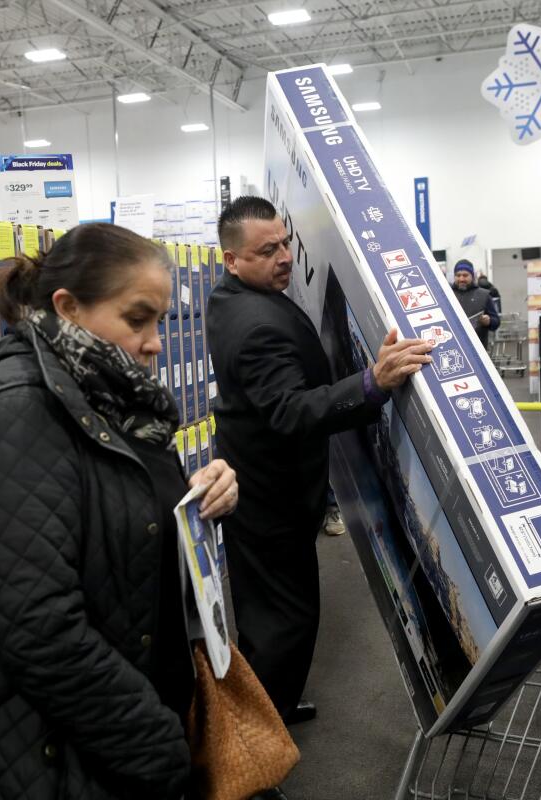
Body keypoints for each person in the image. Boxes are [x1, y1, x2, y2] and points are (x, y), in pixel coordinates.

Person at [0, 223, 239, 799]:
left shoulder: (106, 396)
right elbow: (39, 629)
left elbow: (121, 518)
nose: (154, 342)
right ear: (67, 308)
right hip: (49, 757)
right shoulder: (16, 413)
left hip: (107, 739)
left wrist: (201, 495)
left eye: (160, 322)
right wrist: (156, 744)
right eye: (136, 319)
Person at [206, 196, 433, 725]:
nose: (285, 256)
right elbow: (290, 411)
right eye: (268, 250)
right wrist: (372, 384)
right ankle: (256, 752)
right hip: (270, 501)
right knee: (281, 624)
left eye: (285, 242)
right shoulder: (254, 322)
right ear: (232, 259)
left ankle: (273, 710)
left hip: (264, 489)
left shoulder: (230, 297)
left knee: (276, 618)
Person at [451, 260, 501, 349]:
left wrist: (489, 321)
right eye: (458, 275)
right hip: (452, 347)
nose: (461, 279)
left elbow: (496, 322)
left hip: (478, 350)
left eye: (465, 275)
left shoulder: (484, 295)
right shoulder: (445, 294)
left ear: (472, 276)